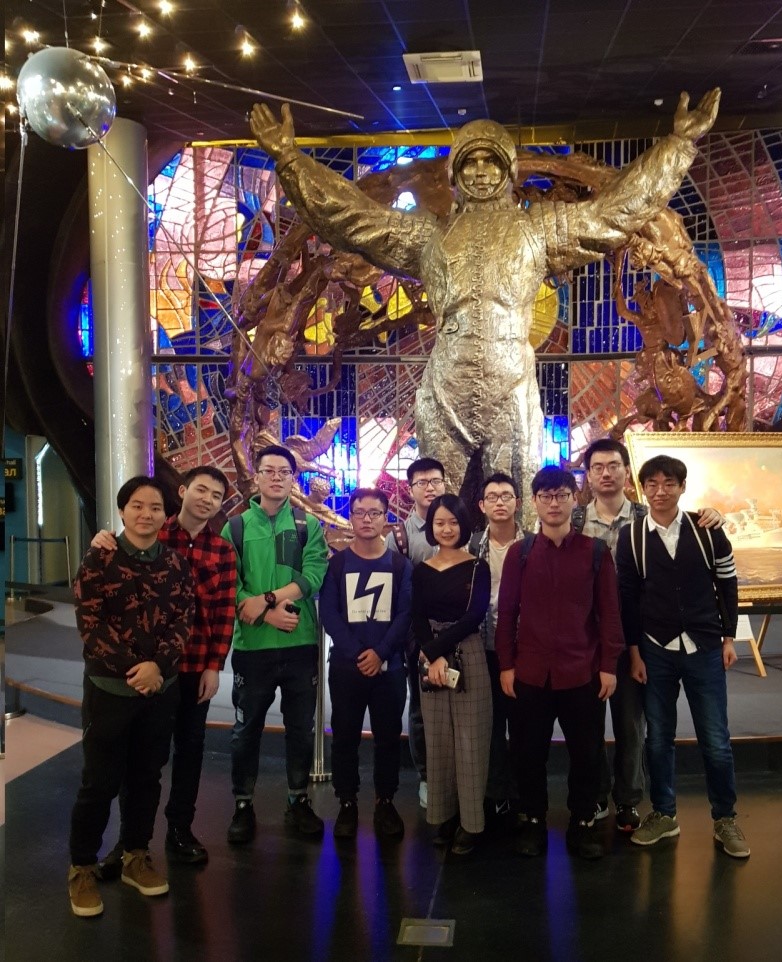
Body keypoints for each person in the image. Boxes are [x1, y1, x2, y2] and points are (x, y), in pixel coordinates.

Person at [250, 91, 720, 511]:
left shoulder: (539, 230)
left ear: (507, 170)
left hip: (511, 384)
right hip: (446, 385)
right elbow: (350, 217)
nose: (480, 171)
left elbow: (615, 213)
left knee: (520, 507)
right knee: (439, 508)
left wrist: (679, 146)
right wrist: (290, 160)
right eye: (469, 162)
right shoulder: (428, 237)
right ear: (455, 172)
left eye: (490, 162)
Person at [574, 438, 724, 833]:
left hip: (635, 637)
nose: (606, 473)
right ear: (588, 475)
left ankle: (628, 800)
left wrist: (713, 515)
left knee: (632, 724)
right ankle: (595, 795)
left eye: (614, 465)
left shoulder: (647, 516)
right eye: (597, 467)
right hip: (585, 640)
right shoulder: (574, 519)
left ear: (627, 472)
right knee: (588, 725)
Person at [92, 466, 236, 874]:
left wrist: (214, 666)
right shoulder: (153, 533)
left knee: (190, 751)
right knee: (141, 757)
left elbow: (224, 613)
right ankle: (129, 841)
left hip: (194, 667)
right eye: (201, 490)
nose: (207, 499)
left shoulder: (223, 551)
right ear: (183, 490)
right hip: (150, 669)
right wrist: (102, 539)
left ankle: (180, 829)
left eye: (216, 495)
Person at [68, 476, 195, 918]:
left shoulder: (176, 564)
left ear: (165, 515)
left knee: (146, 777)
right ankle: (82, 867)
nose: (146, 514)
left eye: (155, 507)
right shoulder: (99, 559)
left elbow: (184, 618)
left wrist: (157, 666)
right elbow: (91, 623)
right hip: (110, 691)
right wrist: (134, 669)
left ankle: (135, 856)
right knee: (99, 782)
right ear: (122, 511)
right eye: (137, 505)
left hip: (160, 690)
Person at [616, 454, 750, 858]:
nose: (660, 491)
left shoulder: (708, 531)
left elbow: (727, 584)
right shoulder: (632, 537)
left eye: (669, 483)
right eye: (652, 484)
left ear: (682, 487)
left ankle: (725, 818)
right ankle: (664, 813)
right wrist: (635, 652)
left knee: (716, 739)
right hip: (655, 649)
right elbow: (627, 598)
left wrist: (729, 637)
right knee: (658, 738)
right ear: (642, 489)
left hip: (705, 647)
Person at [495, 466, 624, 860]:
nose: (554, 503)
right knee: (527, 752)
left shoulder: (595, 552)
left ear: (574, 499)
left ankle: (582, 823)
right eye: (546, 496)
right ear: (534, 502)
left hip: (582, 671)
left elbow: (609, 613)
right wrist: (506, 665)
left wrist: (609, 665)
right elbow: (507, 613)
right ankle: (533, 820)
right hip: (530, 672)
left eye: (562, 495)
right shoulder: (520, 553)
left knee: (586, 753)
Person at [223, 444, 329, 845]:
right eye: (269, 470)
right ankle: (243, 803)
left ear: (293, 479)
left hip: (299, 643)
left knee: (300, 727)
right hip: (252, 647)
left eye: (284, 472)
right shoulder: (235, 528)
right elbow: (229, 586)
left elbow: (314, 576)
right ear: (257, 476)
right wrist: (266, 615)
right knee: (246, 728)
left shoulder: (306, 526)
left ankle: (298, 799)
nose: (277, 477)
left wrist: (267, 600)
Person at [319, 488, 413, 839]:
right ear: (351, 517)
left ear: (385, 519)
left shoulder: (401, 566)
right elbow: (329, 614)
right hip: (347, 666)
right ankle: (347, 802)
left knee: (388, 737)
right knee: (344, 737)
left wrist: (381, 653)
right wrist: (360, 653)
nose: (367, 519)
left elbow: (405, 614)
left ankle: (385, 801)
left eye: (374, 513)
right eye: (359, 513)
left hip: (389, 668)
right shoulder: (337, 564)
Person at [411, 494, 492, 855]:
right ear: (431, 527)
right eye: (439, 522)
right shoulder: (422, 569)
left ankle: (471, 824)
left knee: (471, 740)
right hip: (430, 657)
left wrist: (437, 651)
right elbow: (416, 615)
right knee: (438, 740)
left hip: (467, 653)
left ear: (464, 525)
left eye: (453, 522)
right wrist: (432, 655)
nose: (446, 529)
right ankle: (442, 816)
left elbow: (474, 616)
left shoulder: (477, 567)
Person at [384, 456, 447, 808]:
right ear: (411, 490)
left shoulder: (459, 527)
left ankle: (457, 774)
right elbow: (394, 593)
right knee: (423, 709)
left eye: (435, 481)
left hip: (458, 634)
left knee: (458, 705)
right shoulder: (399, 537)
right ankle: (427, 776)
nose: (429, 488)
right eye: (422, 482)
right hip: (417, 638)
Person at [468, 472, 524, 822]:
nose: (499, 502)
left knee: (522, 725)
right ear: (482, 505)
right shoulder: (472, 546)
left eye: (506, 496)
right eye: (492, 497)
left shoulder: (532, 543)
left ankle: (520, 796)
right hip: (482, 647)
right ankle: (494, 794)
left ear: (518, 502)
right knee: (487, 726)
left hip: (523, 650)